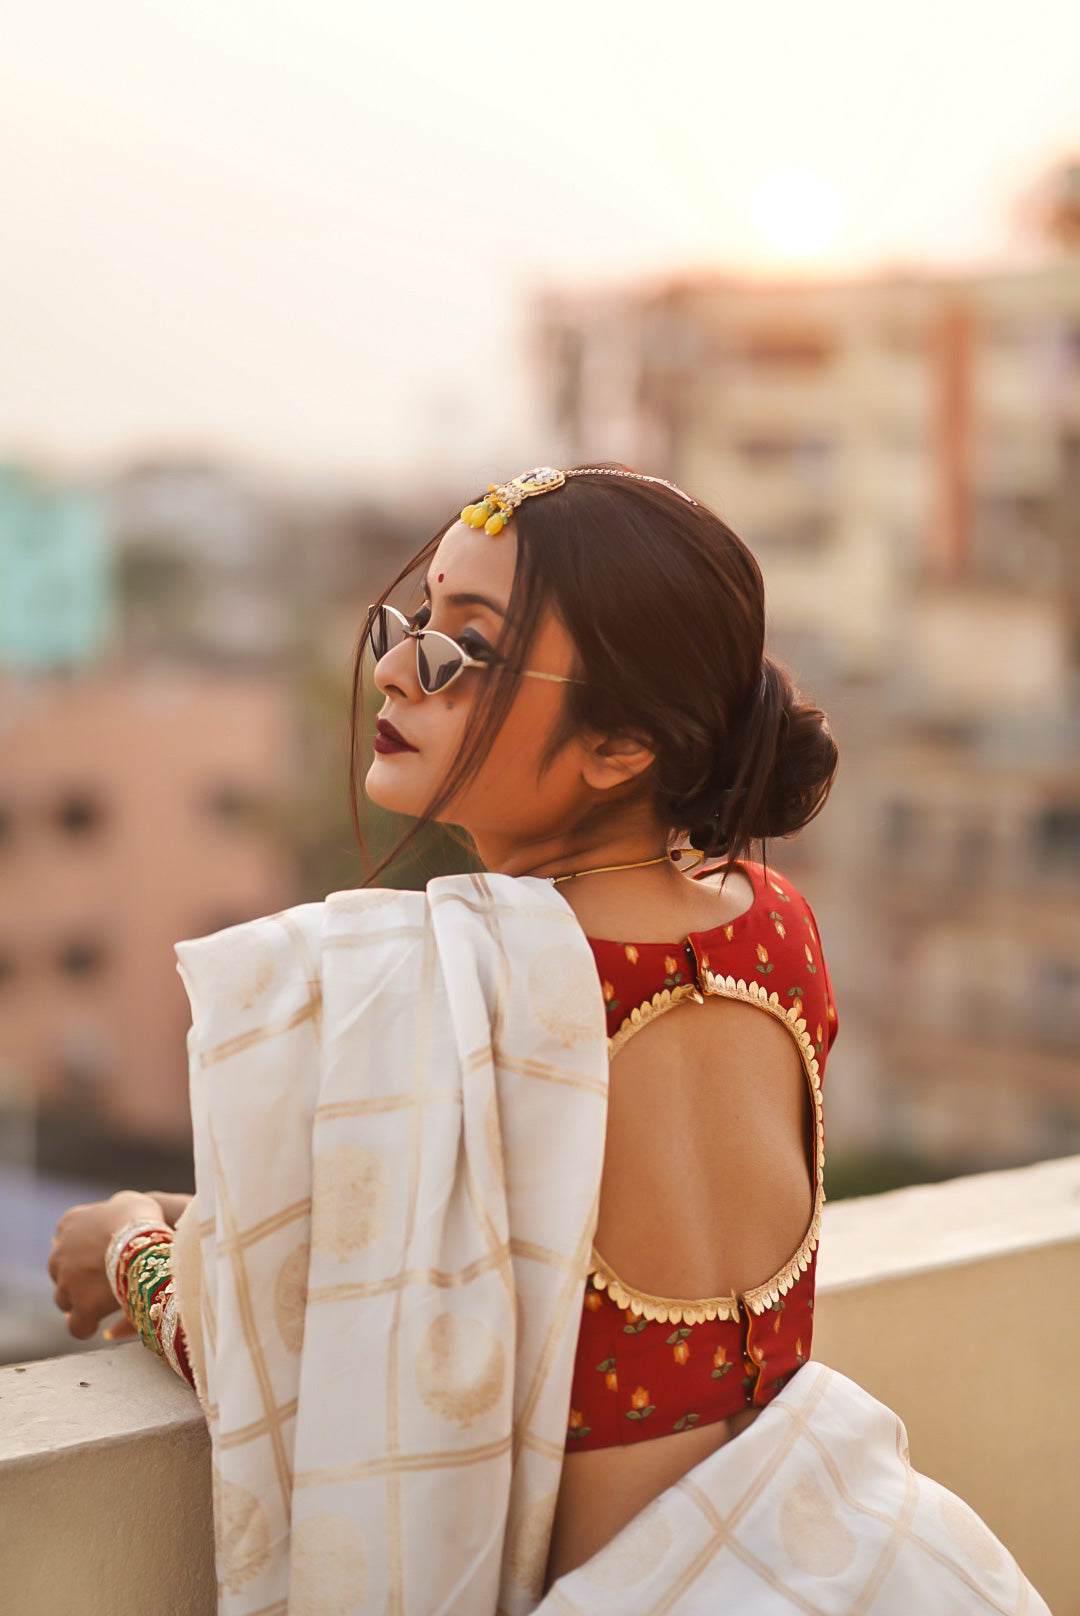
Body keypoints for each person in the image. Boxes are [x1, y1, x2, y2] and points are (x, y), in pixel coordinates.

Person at [49, 466, 1047, 1614]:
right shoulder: (775, 924)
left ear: (620, 743)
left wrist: (130, 1243)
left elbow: (312, 1367)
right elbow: (508, 1238)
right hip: (856, 1554)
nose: (393, 665)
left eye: (461, 649)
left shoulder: (476, 989)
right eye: (414, 619)